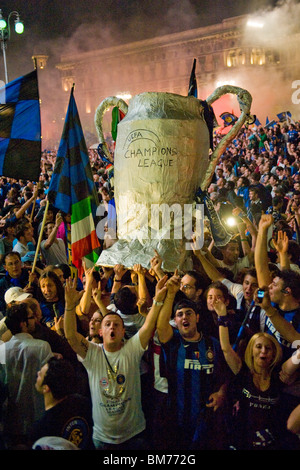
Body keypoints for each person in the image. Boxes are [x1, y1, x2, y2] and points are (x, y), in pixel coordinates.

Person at [64, 274, 168, 450]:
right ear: (101, 331)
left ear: (122, 332)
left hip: (134, 435)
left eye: (117, 325)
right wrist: (69, 306)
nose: (112, 327)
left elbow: (149, 325)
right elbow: (71, 337)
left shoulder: (132, 349)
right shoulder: (92, 353)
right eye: (107, 325)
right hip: (103, 439)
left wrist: (157, 300)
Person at [156, 271, 229, 450]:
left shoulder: (212, 344)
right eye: (179, 315)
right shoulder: (172, 342)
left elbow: (226, 375)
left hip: (207, 422)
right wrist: (171, 293)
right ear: (175, 320)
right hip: (176, 421)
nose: (184, 317)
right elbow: (160, 325)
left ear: (197, 317)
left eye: (189, 313)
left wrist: (222, 393)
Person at [215, 294, 298, 450]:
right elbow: (226, 348)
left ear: (274, 354)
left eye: (268, 348)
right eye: (258, 347)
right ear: (251, 350)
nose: (263, 351)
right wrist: (222, 317)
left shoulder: (279, 376)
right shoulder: (242, 371)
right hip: (239, 443)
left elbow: (297, 358)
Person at [0, 302, 53, 449]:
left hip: (12, 423)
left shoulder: (2, 350)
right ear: (23, 324)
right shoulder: (42, 347)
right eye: (31, 317)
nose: (35, 320)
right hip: (39, 418)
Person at [31, 357, 94, 450]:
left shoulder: (41, 429)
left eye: (40, 374)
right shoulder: (84, 403)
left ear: (46, 388)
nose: (37, 373)